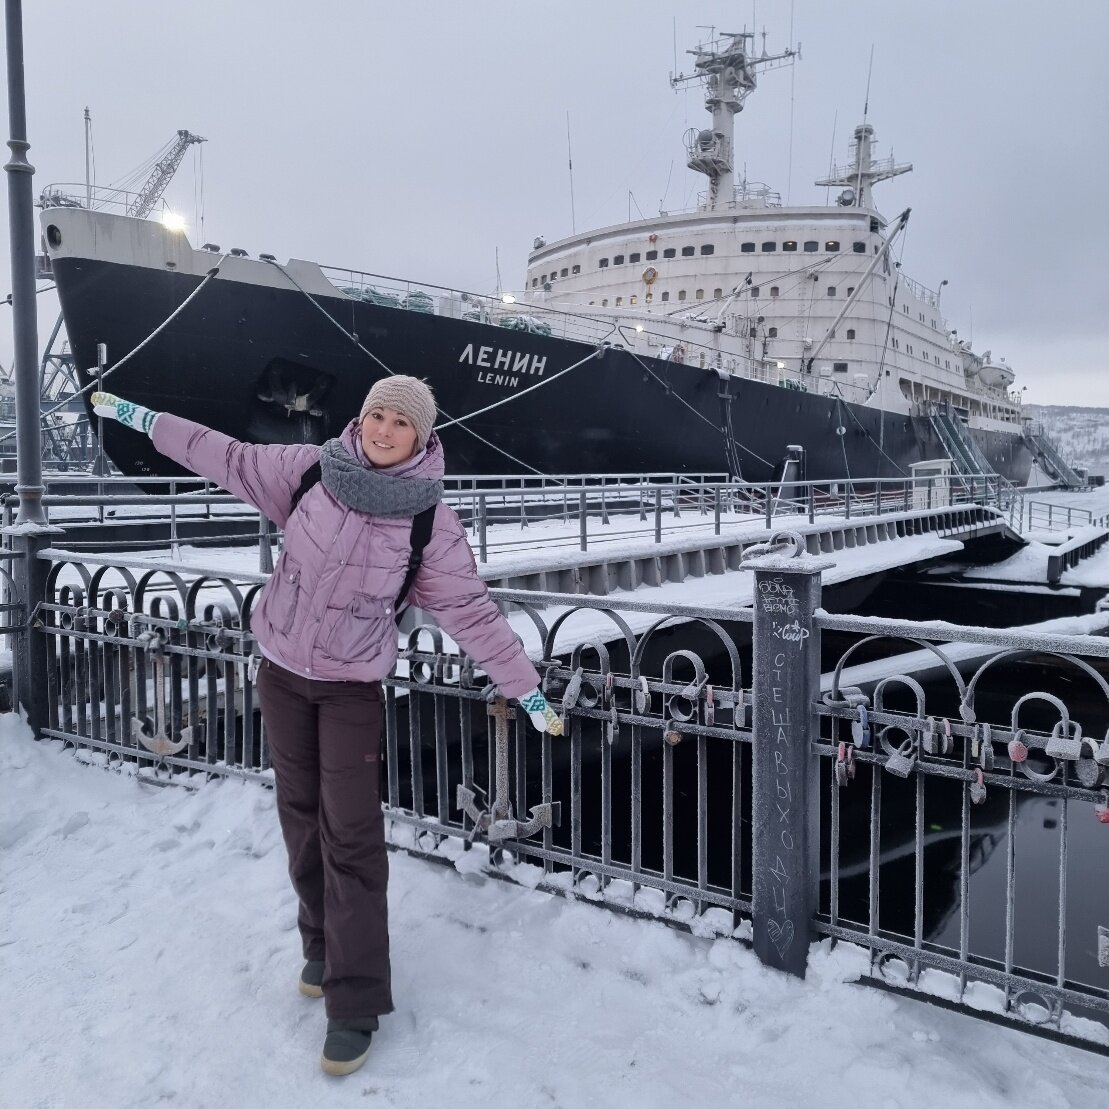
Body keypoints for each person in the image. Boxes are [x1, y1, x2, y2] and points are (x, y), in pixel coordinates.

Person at [92, 377, 562, 1077]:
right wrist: (143, 418)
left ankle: (355, 1001)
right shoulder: (310, 470)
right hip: (280, 672)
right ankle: (319, 944)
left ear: (420, 438)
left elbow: (472, 612)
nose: (382, 428)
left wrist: (525, 690)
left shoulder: (430, 521)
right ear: (361, 418)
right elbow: (219, 453)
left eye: (399, 422)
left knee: (352, 836)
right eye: (376, 413)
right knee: (299, 813)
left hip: (349, 690)